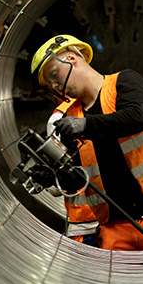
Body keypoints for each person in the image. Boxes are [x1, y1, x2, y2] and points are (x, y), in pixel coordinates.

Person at [31, 34, 143, 250]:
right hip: (115, 233)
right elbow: (79, 179)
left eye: (54, 75)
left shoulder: (125, 82)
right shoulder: (68, 120)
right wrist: (53, 176)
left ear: (72, 58)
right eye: (50, 84)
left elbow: (136, 117)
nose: (56, 86)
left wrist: (86, 125)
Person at [46, 99, 99, 246]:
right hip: (115, 222)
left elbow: (55, 188)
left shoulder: (58, 118)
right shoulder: (112, 101)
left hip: (85, 226)